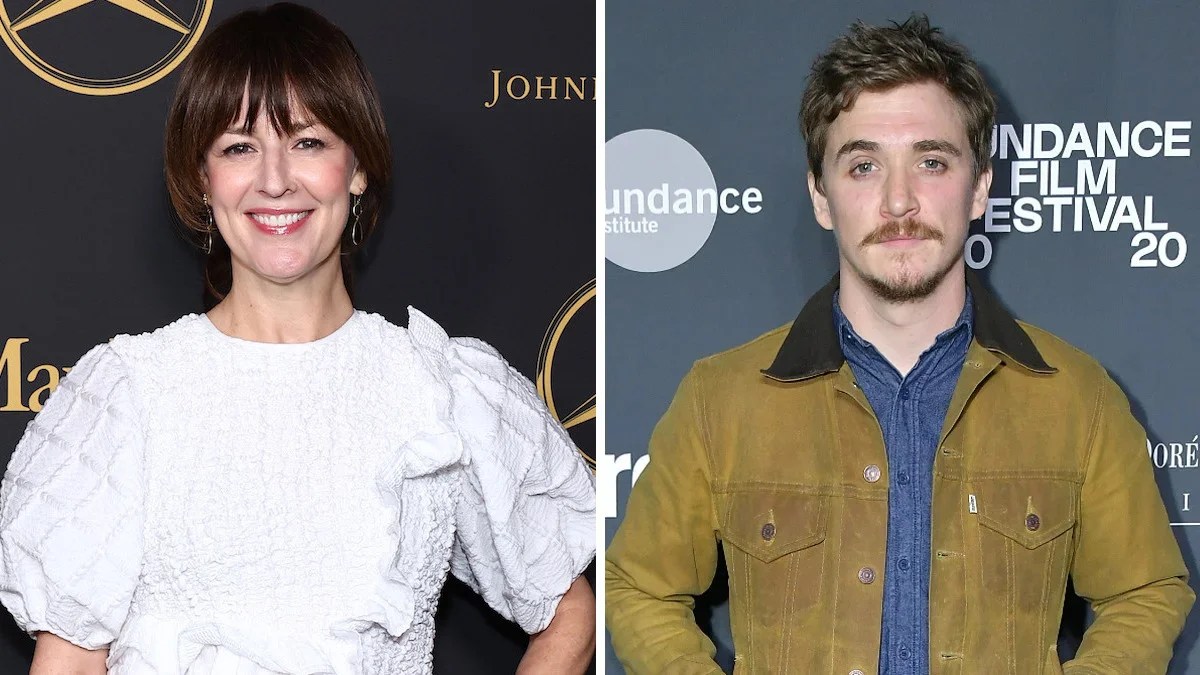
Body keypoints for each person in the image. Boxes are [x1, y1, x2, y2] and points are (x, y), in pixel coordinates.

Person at [0, 4, 595, 674]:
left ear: (358, 168)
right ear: (203, 179)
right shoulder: (130, 392)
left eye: (308, 142)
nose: (275, 179)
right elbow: (72, 659)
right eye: (238, 147)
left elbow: (568, 611)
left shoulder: (440, 386)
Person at [606, 14, 1192, 675]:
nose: (899, 201)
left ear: (980, 188)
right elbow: (638, 587)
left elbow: (1145, 592)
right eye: (863, 165)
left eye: (932, 161)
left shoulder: (1077, 397)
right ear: (821, 196)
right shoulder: (720, 399)